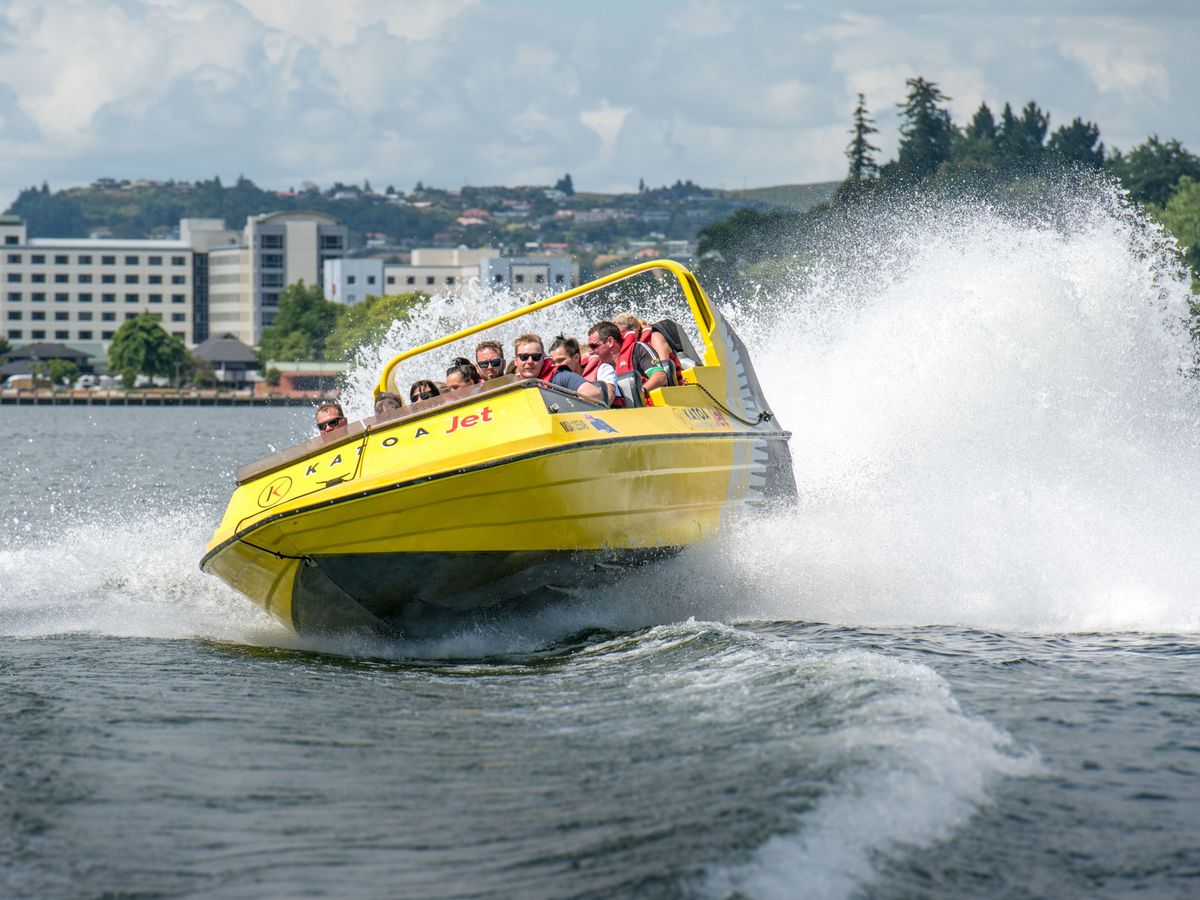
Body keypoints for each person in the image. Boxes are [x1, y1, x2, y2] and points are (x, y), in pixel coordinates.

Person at [587, 320, 667, 406]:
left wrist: (641, 391)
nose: (591, 351)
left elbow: (660, 376)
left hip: (649, 408)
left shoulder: (638, 350)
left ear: (610, 342)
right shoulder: (599, 367)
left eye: (594, 346)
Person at [513, 333, 602, 402]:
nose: (530, 362)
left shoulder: (559, 376)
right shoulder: (510, 386)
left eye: (536, 357)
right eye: (524, 357)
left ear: (543, 359)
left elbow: (593, 393)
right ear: (515, 361)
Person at [616, 311, 679, 386]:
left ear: (634, 331)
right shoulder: (629, 349)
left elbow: (665, 367)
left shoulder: (655, 337)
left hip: (674, 384)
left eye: (621, 333)